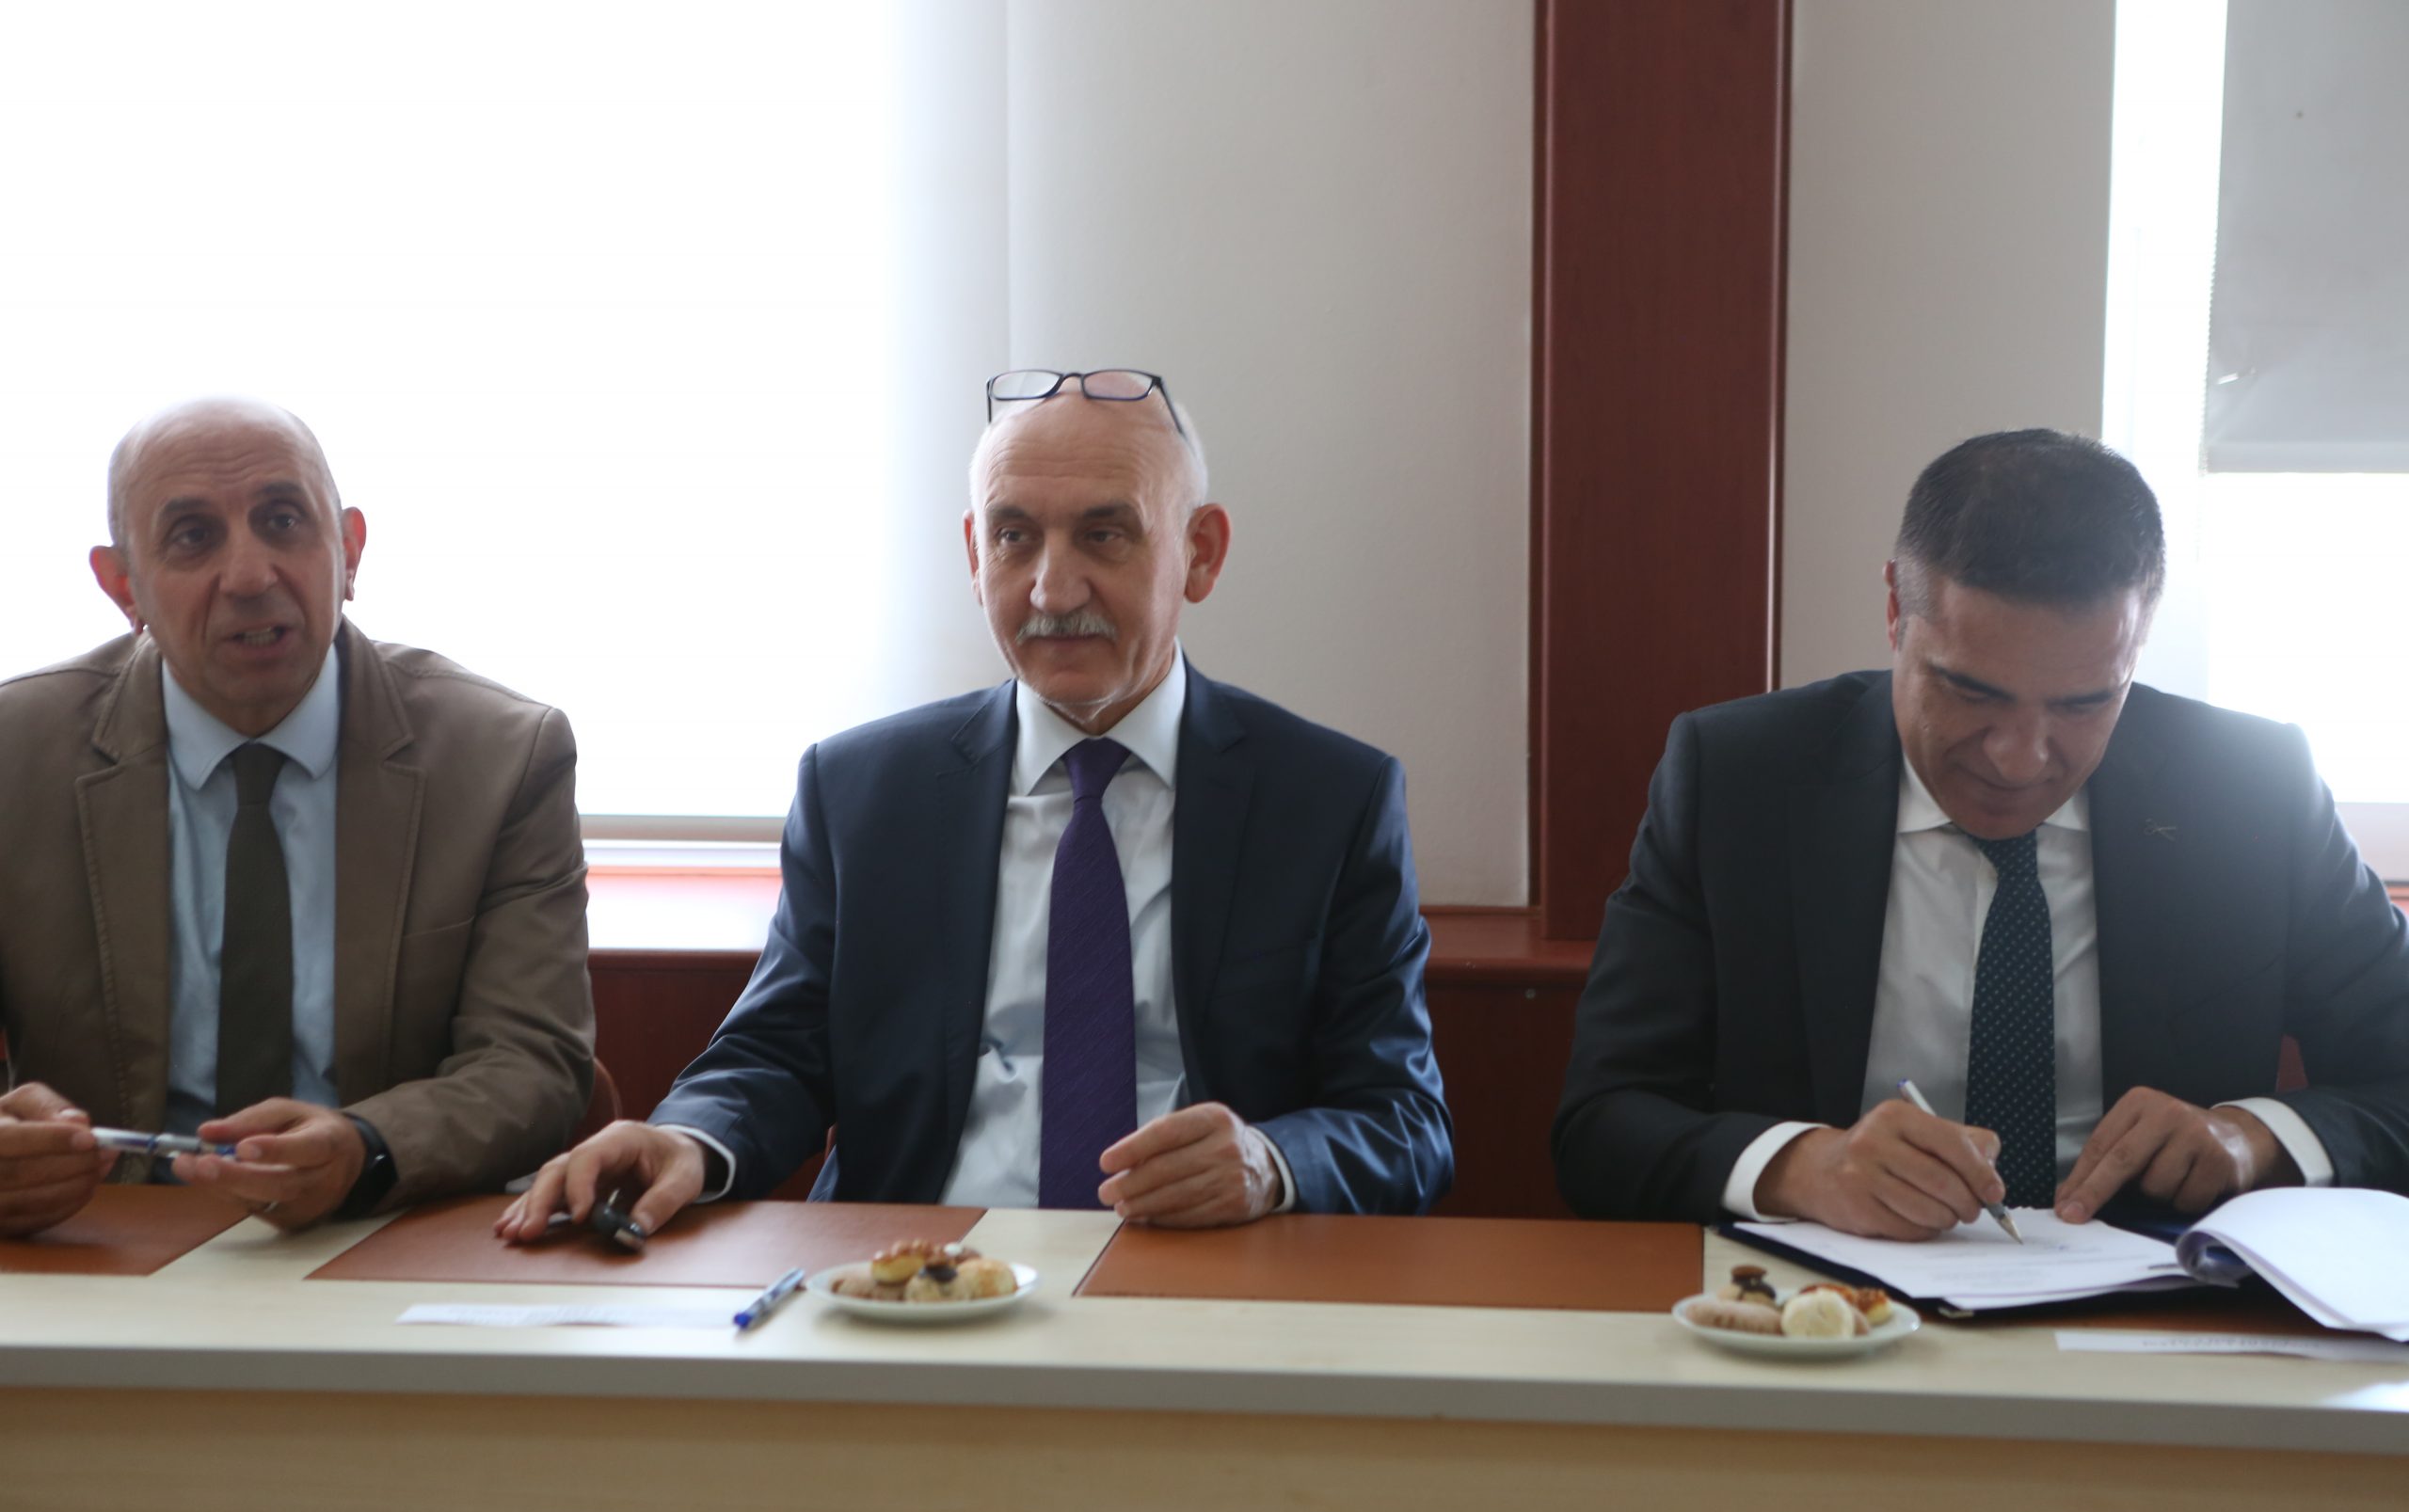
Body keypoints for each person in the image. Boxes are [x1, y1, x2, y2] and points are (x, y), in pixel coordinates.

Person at [502, 369, 1450, 1241]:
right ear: (973, 553)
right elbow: (776, 1054)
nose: (1052, 589)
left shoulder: (1327, 801)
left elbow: (1404, 1122)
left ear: (1200, 555)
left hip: (1200, 1273)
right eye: (1014, 536)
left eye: (1103, 534)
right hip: (915, 1276)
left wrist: (1270, 1163)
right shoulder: (864, 791)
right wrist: (689, 1139)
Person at [1554, 428, 2409, 1235]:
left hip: (2160, 1303)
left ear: (2139, 643)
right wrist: (1801, 1167)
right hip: (1830, 1304)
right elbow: (1602, 1121)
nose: (2020, 758)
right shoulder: (1740, 779)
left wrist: (2252, 1138)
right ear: (1896, 609)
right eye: (1972, 692)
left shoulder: (2251, 792)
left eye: (2084, 703)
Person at [0, 398, 594, 1236]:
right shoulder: (16, 757)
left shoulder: (501, 757)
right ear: (123, 585)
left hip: (376, 1233)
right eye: (193, 536)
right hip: (100, 1239)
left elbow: (531, 1062)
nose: (250, 576)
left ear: (349, 551)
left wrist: (367, 1145)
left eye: (283, 521)